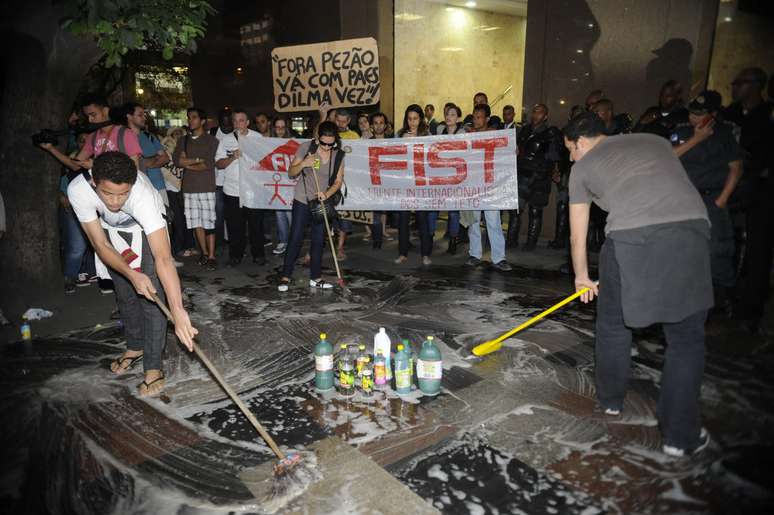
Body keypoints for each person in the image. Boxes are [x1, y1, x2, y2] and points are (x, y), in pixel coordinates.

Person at [566, 112, 712, 457]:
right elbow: (668, 160)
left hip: (631, 237)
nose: (571, 156)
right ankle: (680, 437)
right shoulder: (654, 140)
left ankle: (611, 402)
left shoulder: (582, 168)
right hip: (692, 229)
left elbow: (577, 233)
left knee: (614, 324)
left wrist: (582, 277)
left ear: (582, 142)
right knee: (686, 339)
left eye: (570, 149)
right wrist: (696, 139)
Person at [68, 151, 197, 396]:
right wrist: (130, 273)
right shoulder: (78, 190)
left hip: (145, 229)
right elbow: (100, 244)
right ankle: (135, 346)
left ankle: (153, 366)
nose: (115, 202)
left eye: (122, 194)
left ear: (132, 186)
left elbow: (164, 258)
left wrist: (178, 311)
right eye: (107, 193)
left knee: (152, 296)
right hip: (109, 232)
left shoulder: (143, 196)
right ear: (95, 181)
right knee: (125, 292)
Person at [40, 93, 143, 295]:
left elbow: (134, 168)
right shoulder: (93, 137)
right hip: (102, 200)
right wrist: (51, 148)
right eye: (88, 116)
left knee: (131, 250)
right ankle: (119, 291)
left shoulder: (125, 134)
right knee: (107, 246)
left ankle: (131, 289)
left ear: (106, 110)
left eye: (94, 114)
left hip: (126, 199)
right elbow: (74, 164)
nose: (91, 120)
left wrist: (95, 165)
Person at [672, 91, 743, 314]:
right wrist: (696, 139)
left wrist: (722, 199)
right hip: (684, 198)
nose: (694, 117)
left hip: (712, 198)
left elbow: (736, 168)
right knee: (681, 249)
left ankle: (723, 299)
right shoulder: (682, 130)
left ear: (713, 114)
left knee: (716, 251)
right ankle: (683, 298)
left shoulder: (725, 132)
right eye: (692, 112)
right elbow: (668, 156)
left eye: (699, 113)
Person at [723, 67, 774, 332]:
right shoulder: (728, 115)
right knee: (723, 245)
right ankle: (722, 299)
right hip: (726, 189)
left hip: (758, 192)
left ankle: (750, 307)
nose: (734, 87)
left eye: (740, 83)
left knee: (757, 250)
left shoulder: (767, 116)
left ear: (756, 85)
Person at [278, 121, 344, 292]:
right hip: (303, 198)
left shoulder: (338, 155)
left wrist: (327, 194)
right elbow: (291, 172)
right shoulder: (306, 148)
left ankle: (316, 277)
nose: (327, 147)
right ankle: (285, 276)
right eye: (323, 143)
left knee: (318, 239)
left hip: (321, 200)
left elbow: (338, 182)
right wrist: (304, 164)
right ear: (317, 138)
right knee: (296, 237)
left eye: (331, 144)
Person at [215, 109, 267, 266]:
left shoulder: (258, 138)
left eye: (241, 120)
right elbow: (218, 163)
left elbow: (266, 162)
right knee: (234, 225)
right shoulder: (226, 140)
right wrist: (233, 156)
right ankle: (236, 254)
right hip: (232, 190)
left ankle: (258, 254)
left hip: (253, 190)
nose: (238, 123)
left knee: (256, 225)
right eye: (235, 120)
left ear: (248, 122)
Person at [465, 104, 511, 271]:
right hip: (473, 183)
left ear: (487, 119)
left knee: (494, 222)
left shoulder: (495, 135)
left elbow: (508, 151)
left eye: (479, 117)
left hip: (491, 185)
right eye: (474, 117)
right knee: (474, 221)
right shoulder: (467, 135)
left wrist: (513, 150)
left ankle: (499, 258)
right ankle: (474, 254)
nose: (476, 120)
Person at [172, 107, 220, 270]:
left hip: (206, 186)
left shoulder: (211, 141)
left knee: (209, 222)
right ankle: (204, 253)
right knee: (196, 222)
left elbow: (207, 164)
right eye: (189, 117)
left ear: (202, 121)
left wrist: (189, 162)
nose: (190, 120)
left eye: (193, 117)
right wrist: (196, 161)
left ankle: (212, 256)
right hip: (189, 188)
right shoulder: (183, 140)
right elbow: (177, 161)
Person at [510, 104, 561, 251]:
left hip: (540, 177)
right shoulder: (524, 130)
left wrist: (554, 171)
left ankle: (530, 244)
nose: (535, 115)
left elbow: (554, 156)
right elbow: (517, 149)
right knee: (516, 210)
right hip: (522, 175)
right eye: (534, 111)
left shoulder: (550, 133)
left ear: (545, 116)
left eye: (539, 112)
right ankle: (511, 241)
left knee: (535, 211)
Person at [394, 104, 433, 266]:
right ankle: (403, 253)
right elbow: (394, 155)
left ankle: (426, 254)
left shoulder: (427, 134)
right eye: (409, 119)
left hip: (422, 183)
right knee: (403, 219)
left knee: (422, 218)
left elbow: (431, 157)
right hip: (405, 182)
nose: (412, 122)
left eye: (415, 119)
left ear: (421, 119)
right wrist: (403, 143)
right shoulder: (400, 135)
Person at [436, 104, 465, 255]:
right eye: (447, 114)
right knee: (434, 207)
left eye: (453, 114)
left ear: (458, 118)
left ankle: (453, 240)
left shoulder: (463, 133)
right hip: (440, 174)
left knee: (453, 211)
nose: (449, 116)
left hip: (456, 176)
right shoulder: (439, 131)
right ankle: (429, 236)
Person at [160, 128, 193, 259]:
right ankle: (177, 248)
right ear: (171, 135)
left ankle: (187, 246)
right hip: (170, 189)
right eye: (176, 133)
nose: (178, 136)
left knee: (185, 218)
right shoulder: (166, 147)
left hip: (182, 189)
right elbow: (165, 168)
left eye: (181, 133)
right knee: (177, 220)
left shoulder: (184, 149)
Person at [366, 112, 395, 250]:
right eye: (375, 123)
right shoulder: (366, 143)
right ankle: (377, 240)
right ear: (371, 126)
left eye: (381, 123)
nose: (378, 126)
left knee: (384, 210)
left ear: (385, 125)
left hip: (388, 181)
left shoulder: (392, 142)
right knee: (375, 212)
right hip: (373, 181)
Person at [211, 109, 234, 248]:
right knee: (218, 215)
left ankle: (232, 239)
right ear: (219, 122)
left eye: (229, 124)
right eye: (224, 124)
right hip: (217, 181)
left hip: (233, 181)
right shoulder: (212, 134)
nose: (227, 127)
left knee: (232, 214)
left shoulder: (236, 135)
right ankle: (219, 243)